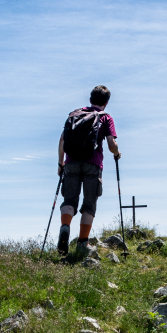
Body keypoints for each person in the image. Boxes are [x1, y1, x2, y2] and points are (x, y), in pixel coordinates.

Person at [56, 85, 119, 255]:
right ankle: (82, 243)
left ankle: (65, 227)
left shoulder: (74, 114)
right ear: (106, 103)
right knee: (89, 205)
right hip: (93, 164)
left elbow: (62, 140)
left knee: (69, 201)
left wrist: (60, 163)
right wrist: (117, 152)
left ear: (90, 99)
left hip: (71, 163)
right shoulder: (106, 117)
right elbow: (112, 145)